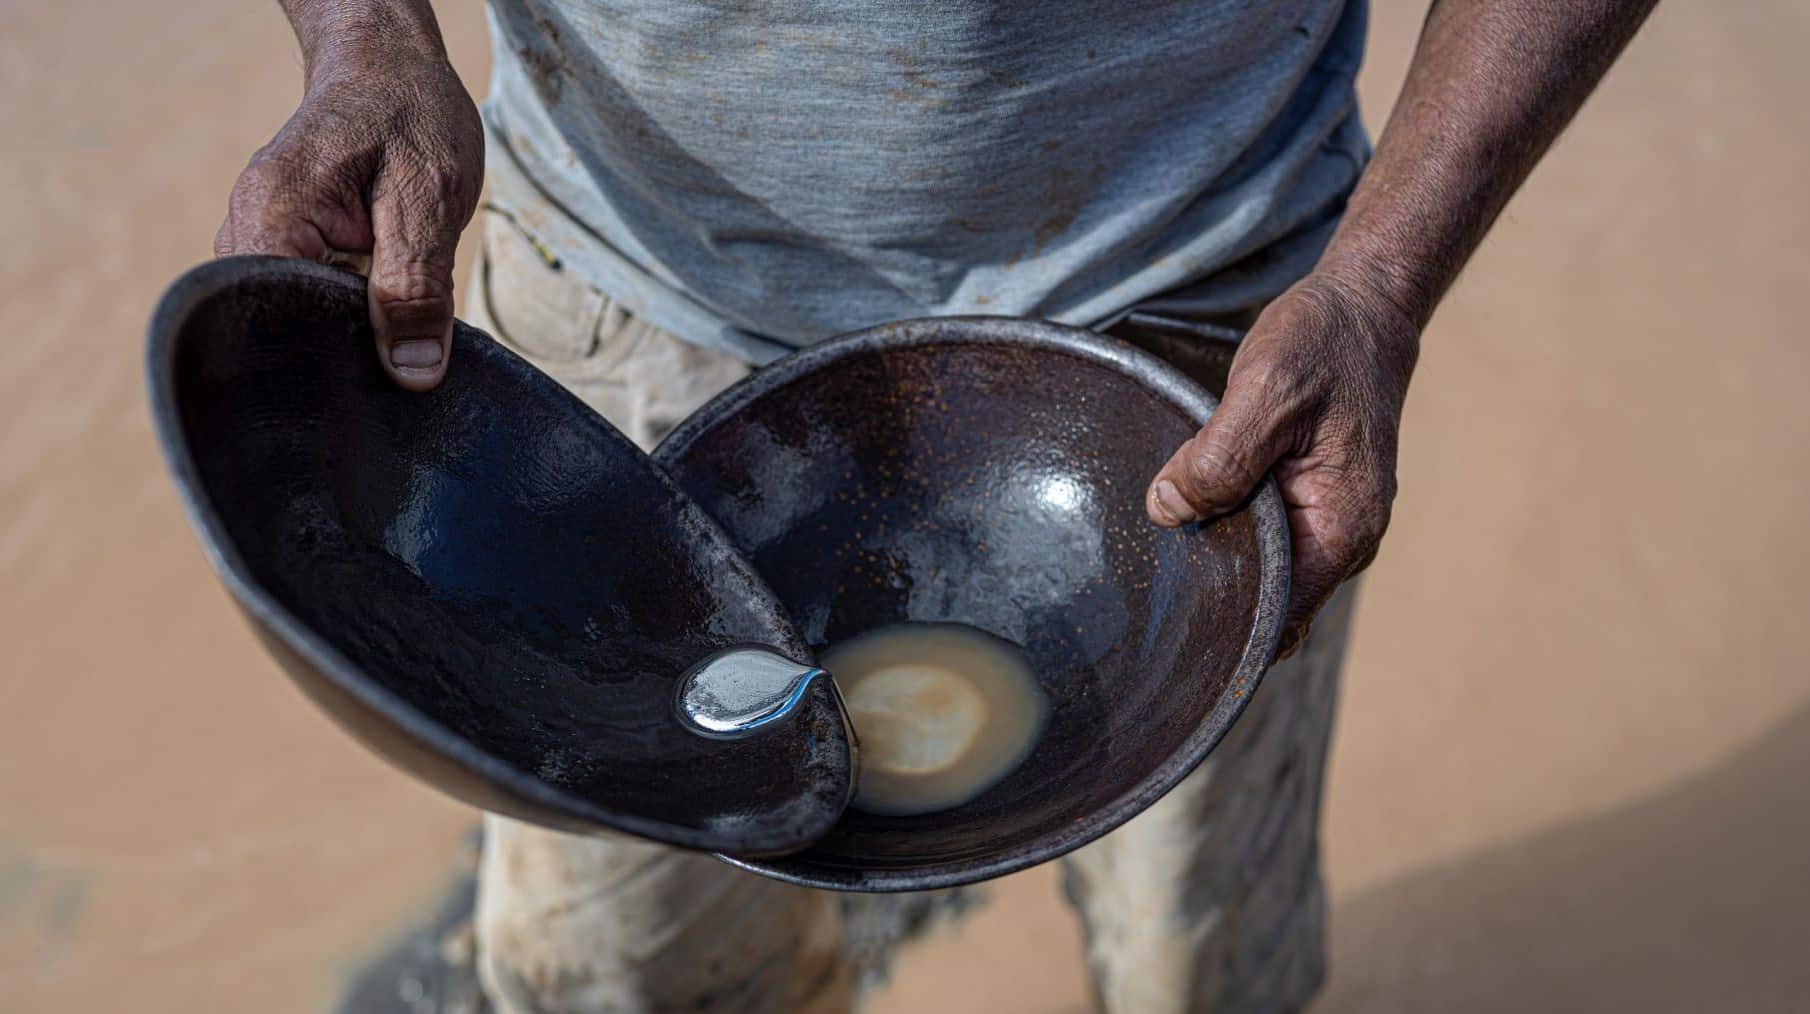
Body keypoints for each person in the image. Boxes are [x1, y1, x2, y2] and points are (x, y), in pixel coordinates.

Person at [217, 1, 1654, 1010]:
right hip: (630, 316)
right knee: (605, 979)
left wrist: (1379, 285)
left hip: (1203, 344)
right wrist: (365, 38)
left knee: (1201, 970)